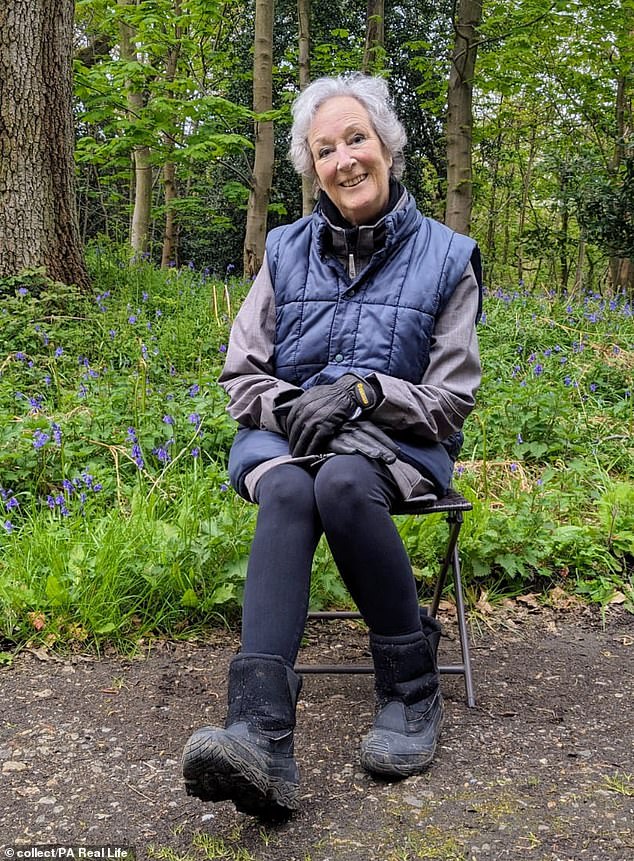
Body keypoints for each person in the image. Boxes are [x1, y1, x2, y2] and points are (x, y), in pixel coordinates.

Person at [182, 73, 482, 819]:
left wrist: (366, 392)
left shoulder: (448, 258)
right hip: (290, 437)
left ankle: (412, 693)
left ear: (388, 146)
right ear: (310, 167)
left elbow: (449, 399)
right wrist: (292, 407)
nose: (344, 159)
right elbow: (241, 374)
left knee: (344, 481)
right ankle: (260, 735)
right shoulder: (284, 252)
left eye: (357, 139)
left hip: (395, 448)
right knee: (290, 486)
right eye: (325, 149)